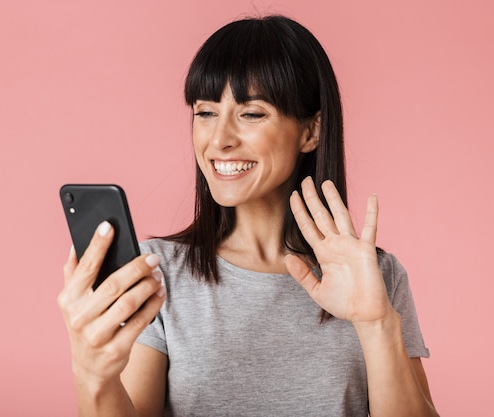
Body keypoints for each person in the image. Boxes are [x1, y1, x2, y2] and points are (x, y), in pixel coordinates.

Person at [58, 15, 439, 417]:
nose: (219, 139)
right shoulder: (156, 274)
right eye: (205, 113)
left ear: (311, 132)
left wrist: (377, 324)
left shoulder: (377, 276)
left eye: (251, 114)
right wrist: (92, 375)